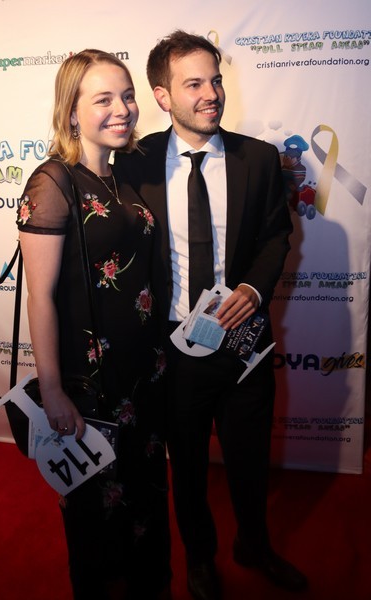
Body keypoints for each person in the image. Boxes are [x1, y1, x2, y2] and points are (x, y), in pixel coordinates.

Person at [115, 31, 308, 600]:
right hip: (174, 348)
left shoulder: (259, 158)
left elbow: (276, 235)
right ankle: (199, 558)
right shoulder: (135, 163)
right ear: (162, 96)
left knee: (250, 458)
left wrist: (253, 287)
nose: (211, 94)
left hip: (245, 340)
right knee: (189, 464)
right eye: (194, 84)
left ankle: (255, 545)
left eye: (216, 81)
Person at [16, 49, 171, 600]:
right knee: (96, 513)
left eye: (127, 96)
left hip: (142, 375)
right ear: (71, 112)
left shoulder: (124, 175)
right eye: (103, 99)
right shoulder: (52, 183)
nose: (122, 109)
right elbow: (40, 298)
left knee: (145, 495)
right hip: (91, 383)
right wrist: (54, 390)